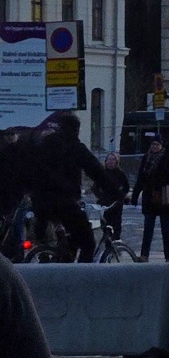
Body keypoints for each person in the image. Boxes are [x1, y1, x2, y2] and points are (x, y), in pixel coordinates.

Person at [30, 112, 105, 262]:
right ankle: (80, 274)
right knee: (88, 243)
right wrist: (117, 192)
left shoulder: (42, 145)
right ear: (76, 129)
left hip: (40, 202)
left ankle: (62, 260)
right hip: (64, 201)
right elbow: (97, 171)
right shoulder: (75, 146)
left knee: (71, 238)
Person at [132, 135, 169, 260]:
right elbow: (141, 178)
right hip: (149, 196)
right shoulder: (146, 158)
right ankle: (144, 255)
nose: (154, 147)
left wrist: (165, 170)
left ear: (161, 145)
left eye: (157, 144)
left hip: (164, 196)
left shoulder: (168, 157)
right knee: (148, 228)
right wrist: (135, 194)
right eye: (153, 144)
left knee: (166, 229)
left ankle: (168, 256)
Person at [93, 152, 130, 245]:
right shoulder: (102, 173)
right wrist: (100, 196)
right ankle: (107, 242)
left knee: (116, 223)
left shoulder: (120, 174)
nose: (111, 161)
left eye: (113, 159)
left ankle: (116, 242)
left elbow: (126, 187)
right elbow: (94, 188)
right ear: (106, 161)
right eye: (109, 159)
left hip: (117, 202)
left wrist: (121, 195)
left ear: (116, 162)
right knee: (106, 224)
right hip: (105, 203)